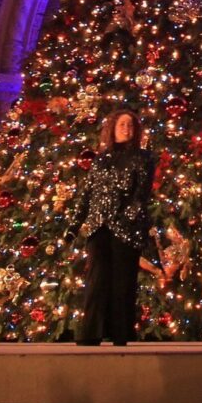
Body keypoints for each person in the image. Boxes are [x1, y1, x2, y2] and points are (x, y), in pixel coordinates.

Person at [67, 109, 153, 345]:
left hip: (126, 228)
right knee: (96, 280)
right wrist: (75, 224)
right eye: (122, 124)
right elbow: (87, 194)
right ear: (112, 128)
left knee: (123, 282)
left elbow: (141, 193)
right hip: (99, 226)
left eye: (130, 126)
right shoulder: (101, 159)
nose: (126, 129)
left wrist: (126, 217)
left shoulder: (143, 157)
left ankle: (121, 335)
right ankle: (91, 333)